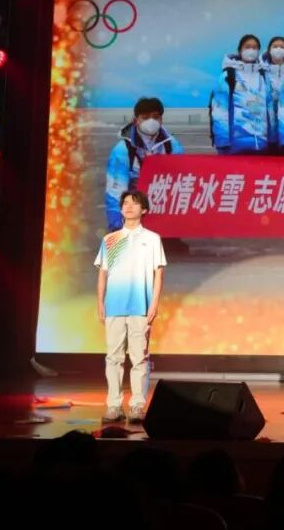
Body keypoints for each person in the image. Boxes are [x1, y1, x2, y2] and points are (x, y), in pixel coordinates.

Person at [96, 190, 166, 424]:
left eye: (134, 204)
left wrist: (154, 303)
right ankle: (114, 405)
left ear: (144, 209)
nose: (128, 207)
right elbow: (103, 274)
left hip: (140, 306)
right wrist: (100, 303)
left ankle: (137, 406)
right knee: (113, 357)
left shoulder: (152, 239)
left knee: (140, 358)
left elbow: (158, 274)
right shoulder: (111, 239)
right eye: (125, 203)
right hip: (114, 305)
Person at [104, 97, 184, 232]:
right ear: (136, 120)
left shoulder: (172, 145)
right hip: (136, 202)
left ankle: (171, 232)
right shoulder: (122, 150)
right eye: (145, 117)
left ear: (161, 119)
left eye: (156, 117)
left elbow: (182, 180)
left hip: (161, 199)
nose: (151, 121)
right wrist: (118, 226)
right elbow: (115, 191)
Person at [209, 33, 276, 155]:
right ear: (240, 50)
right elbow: (219, 111)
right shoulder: (228, 76)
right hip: (234, 146)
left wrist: (272, 139)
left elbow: (270, 110)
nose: (251, 50)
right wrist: (223, 142)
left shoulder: (263, 76)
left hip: (261, 145)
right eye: (247, 47)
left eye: (255, 47)